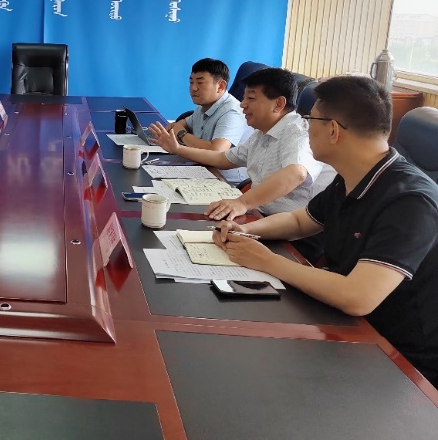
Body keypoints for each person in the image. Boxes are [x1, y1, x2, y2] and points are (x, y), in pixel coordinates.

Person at [213, 76, 438, 387]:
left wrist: (266, 260)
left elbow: (357, 297)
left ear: (333, 130)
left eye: (310, 120)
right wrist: (246, 229)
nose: (305, 128)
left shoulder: (410, 201)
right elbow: (300, 221)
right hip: (346, 324)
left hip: (401, 362)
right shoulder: (352, 176)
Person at [149, 67, 332, 220]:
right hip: (258, 214)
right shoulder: (261, 133)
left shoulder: (297, 132)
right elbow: (222, 159)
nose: (242, 104)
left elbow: (296, 174)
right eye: (244, 98)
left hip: (291, 230)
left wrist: (242, 203)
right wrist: (178, 149)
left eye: (251, 98)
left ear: (278, 104)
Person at [167, 58, 250, 182]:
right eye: (191, 82)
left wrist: (181, 133)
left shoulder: (232, 112)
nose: (193, 88)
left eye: (200, 83)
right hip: (202, 169)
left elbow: (216, 151)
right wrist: (177, 126)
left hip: (225, 181)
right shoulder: (204, 105)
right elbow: (185, 123)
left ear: (220, 86)